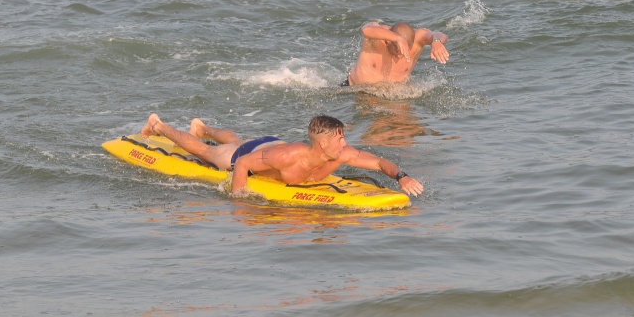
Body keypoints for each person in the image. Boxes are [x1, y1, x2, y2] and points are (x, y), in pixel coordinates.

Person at [140, 113, 424, 197]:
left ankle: (203, 127)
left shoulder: (341, 154)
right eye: (340, 139)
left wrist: (401, 176)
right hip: (253, 155)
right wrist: (239, 199)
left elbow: (378, 162)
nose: (345, 143)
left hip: (270, 146)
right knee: (208, 153)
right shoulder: (290, 157)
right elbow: (243, 163)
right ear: (322, 144)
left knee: (236, 139)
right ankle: (158, 125)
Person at [344, 21, 450, 86]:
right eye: (396, 49)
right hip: (357, 91)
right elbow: (366, 29)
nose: (399, 55)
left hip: (393, 98)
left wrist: (436, 42)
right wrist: (397, 39)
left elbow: (440, 35)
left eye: (405, 49)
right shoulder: (378, 36)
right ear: (388, 41)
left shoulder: (418, 37)